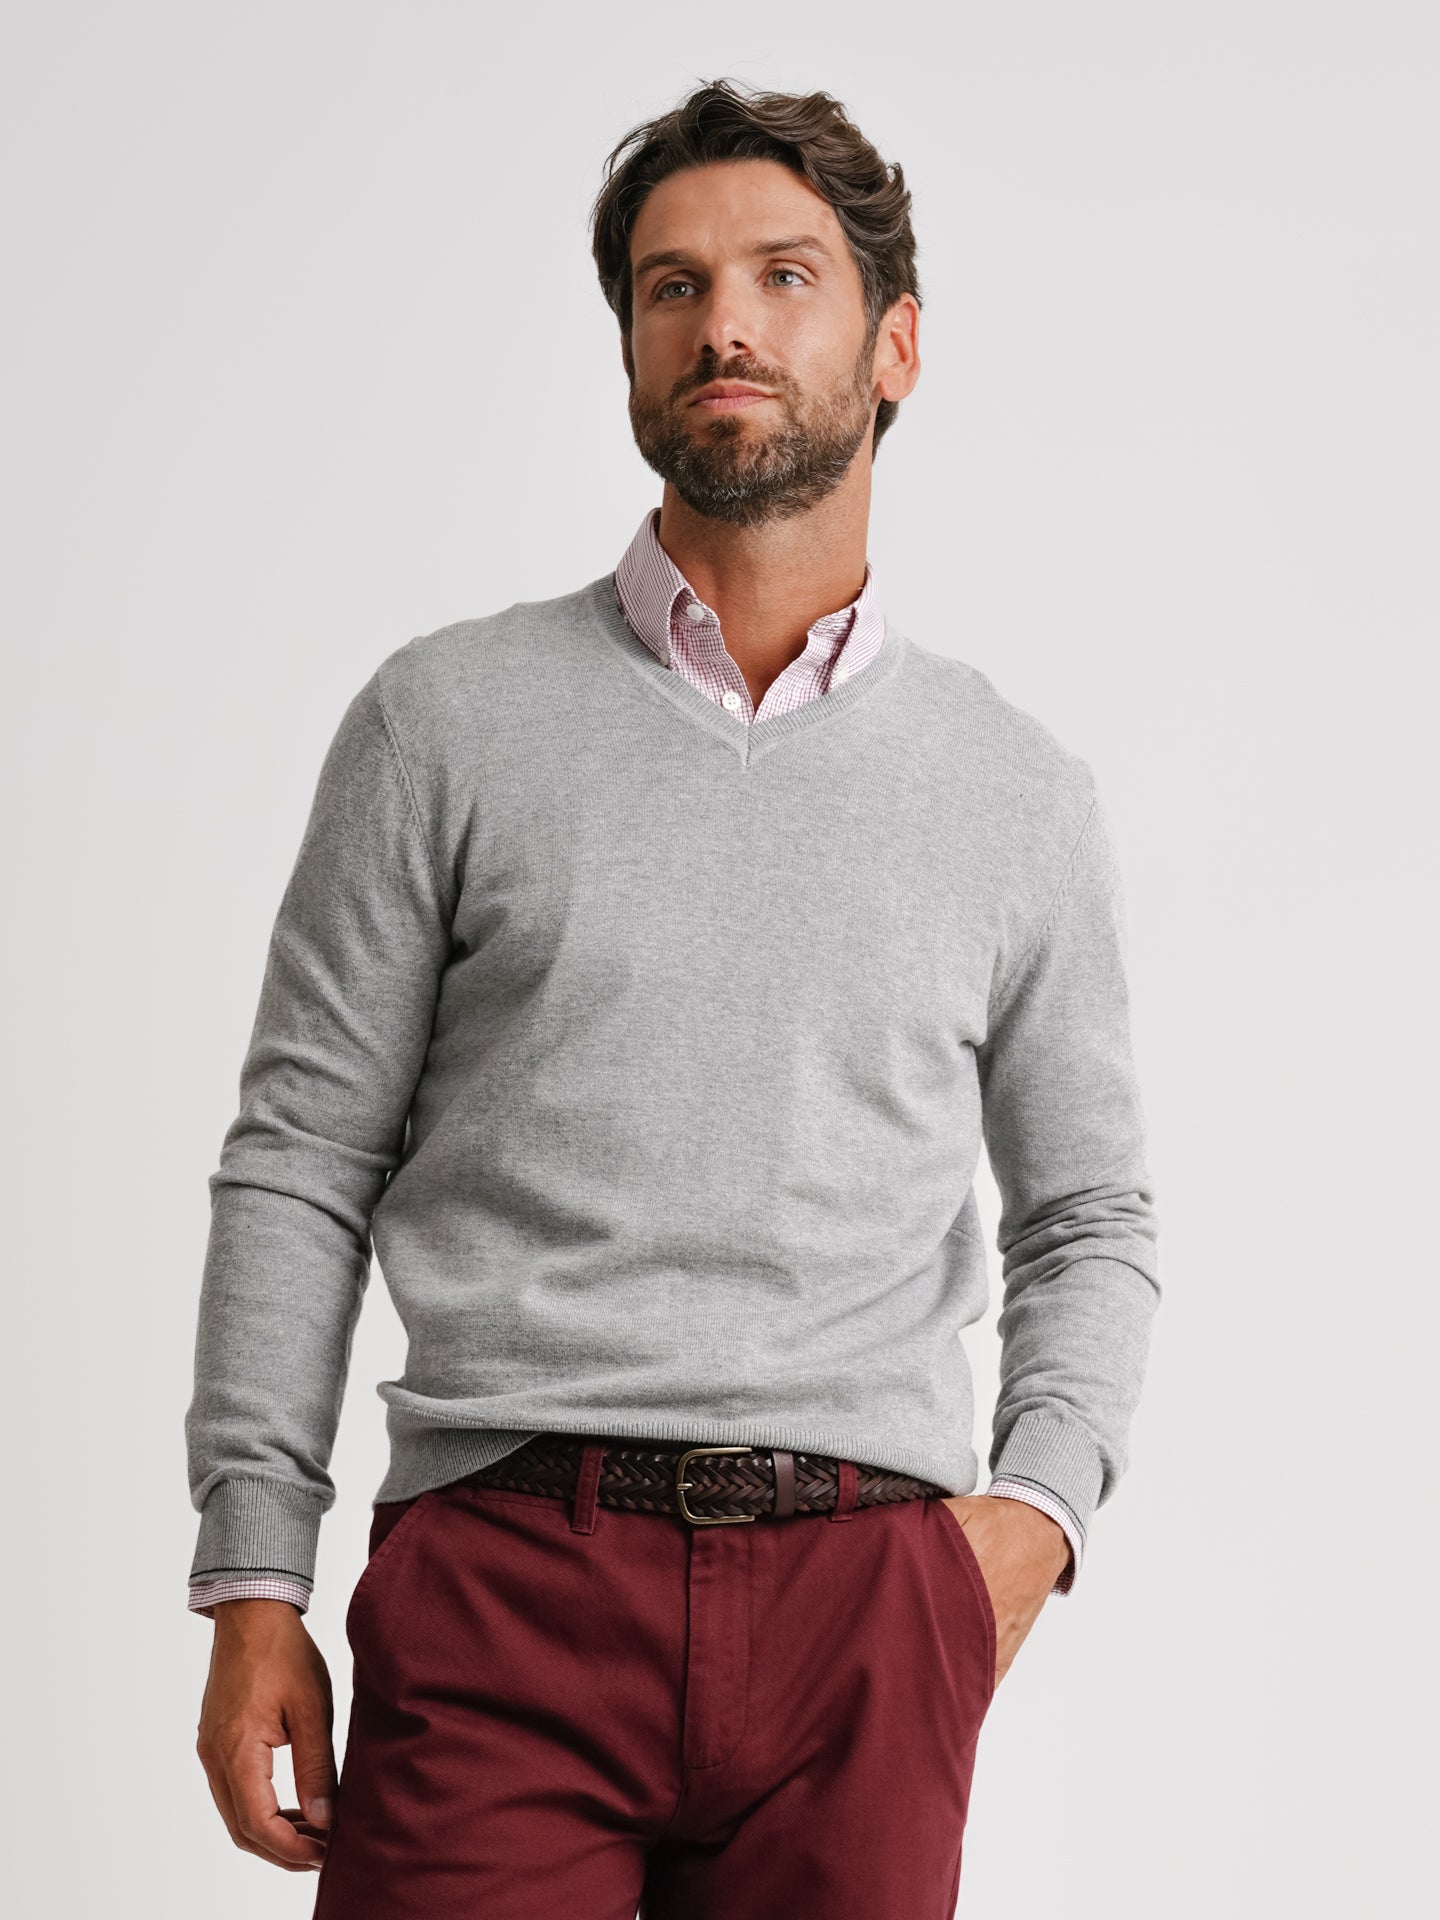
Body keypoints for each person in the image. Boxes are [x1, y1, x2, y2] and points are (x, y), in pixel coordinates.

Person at [187, 76, 1160, 1917]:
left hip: (869, 1598)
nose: (724, 323)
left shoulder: (1014, 790)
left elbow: (1090, 1214)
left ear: (895, 345)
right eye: (671, 285)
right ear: (631, 348)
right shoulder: (443, 723)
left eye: (785, 276)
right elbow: (301, 1157)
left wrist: (1032, 1521)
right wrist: (253, 1580)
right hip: (504, 1578)